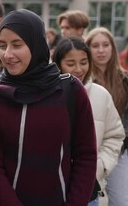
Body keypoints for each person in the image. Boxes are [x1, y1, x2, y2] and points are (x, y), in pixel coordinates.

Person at [0, 9, 97, 206]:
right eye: (2, 45)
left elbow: (86, 156)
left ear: (37, 44)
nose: (7, 54)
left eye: (17, 45)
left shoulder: (69, 90)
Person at [53, 36, 125, 206]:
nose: (78, 69)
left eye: (84, 62)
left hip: (89, 188)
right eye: (71, 63)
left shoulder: (101, 94)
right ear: (57, 63)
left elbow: (114, 136)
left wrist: (98, 166)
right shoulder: (47, 95)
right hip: (53, 186)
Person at [85, 27, 128, 206]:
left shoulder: (124, 80)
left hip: (119, 149)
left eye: (105, 45)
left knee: (120, 200)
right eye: (95, 46)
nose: (101, 50)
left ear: (112, 47)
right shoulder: (83, 82)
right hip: (90, 151)